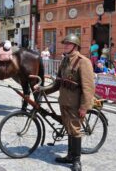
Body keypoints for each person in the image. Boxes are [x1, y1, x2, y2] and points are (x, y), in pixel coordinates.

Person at [40, 34, 95, 171]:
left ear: (75, 46)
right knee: (69, 128)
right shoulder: (64, 61)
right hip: (64, 101)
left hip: (76, 104)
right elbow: (57, 83)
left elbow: (88, 87)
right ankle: (69, 156)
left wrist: (84, 107)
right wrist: (43, 90)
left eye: (68, 44)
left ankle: (76, 160)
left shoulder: (83, 62)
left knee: (75, 130)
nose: (65, 46)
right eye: (64, 44)